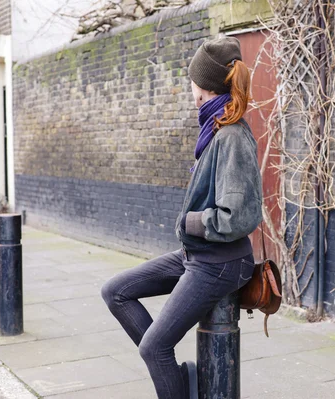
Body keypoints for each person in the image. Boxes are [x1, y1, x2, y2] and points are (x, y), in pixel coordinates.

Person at [101, 36, 263, 399]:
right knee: (116, 292)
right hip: (198, 255)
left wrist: (192, 222)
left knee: (154, 347)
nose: (189, 89)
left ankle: (175, 385)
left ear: (202, 88)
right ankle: (178, 381)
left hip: (220, 262)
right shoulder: (216, 128)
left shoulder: (232, 137)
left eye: (191, 82)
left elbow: (238, 216)